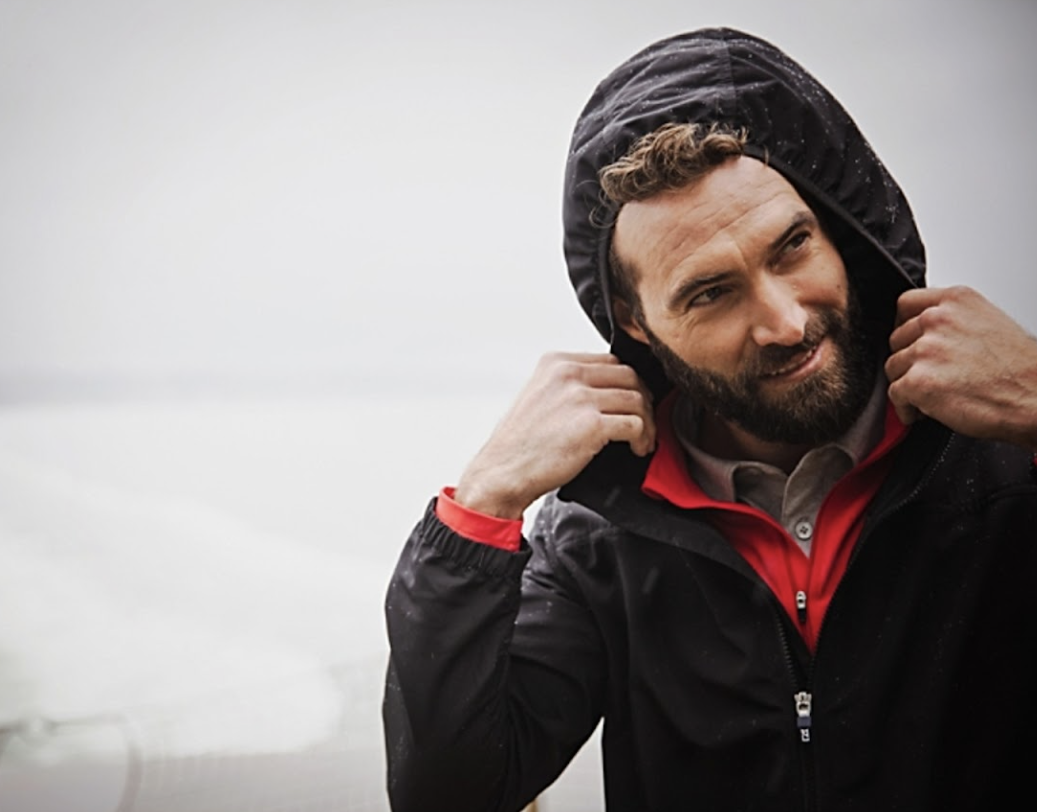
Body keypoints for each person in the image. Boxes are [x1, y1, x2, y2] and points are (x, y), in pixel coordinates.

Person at [383, 27, 1037, 812]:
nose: (786, 322)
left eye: (792, 246)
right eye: (711, 292)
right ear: (635, 323)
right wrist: (482, 504)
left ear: (837, 224)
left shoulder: (1004, 461)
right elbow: (452, 791)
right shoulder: (605, 536)